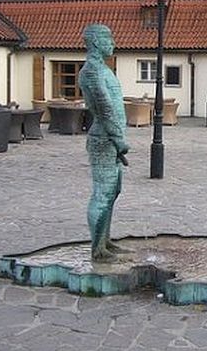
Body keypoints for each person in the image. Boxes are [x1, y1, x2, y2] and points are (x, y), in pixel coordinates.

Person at [78, 24, 129, 263]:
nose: (113, 43)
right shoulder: (91, 71)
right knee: (103, 193)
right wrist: (118, 140)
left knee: (113, 190)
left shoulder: (102, 69)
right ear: (96, 42)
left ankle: (104, 241)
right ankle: (97, 249)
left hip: (111, 139)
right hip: (104, 138)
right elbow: (104, 107)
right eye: (109, 39)